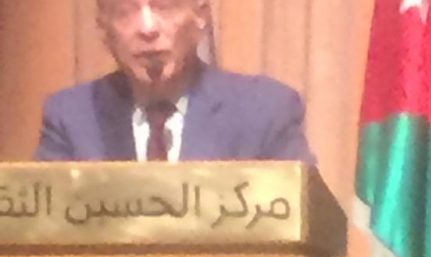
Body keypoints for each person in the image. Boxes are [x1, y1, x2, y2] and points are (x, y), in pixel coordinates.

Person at [35, 0, 316, 164]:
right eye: (125, 10)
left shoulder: (265, 112)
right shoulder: (72, 118)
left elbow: (308, 225)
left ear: (201, 16)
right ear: (104, 29)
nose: (147, 28)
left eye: (165, 6)